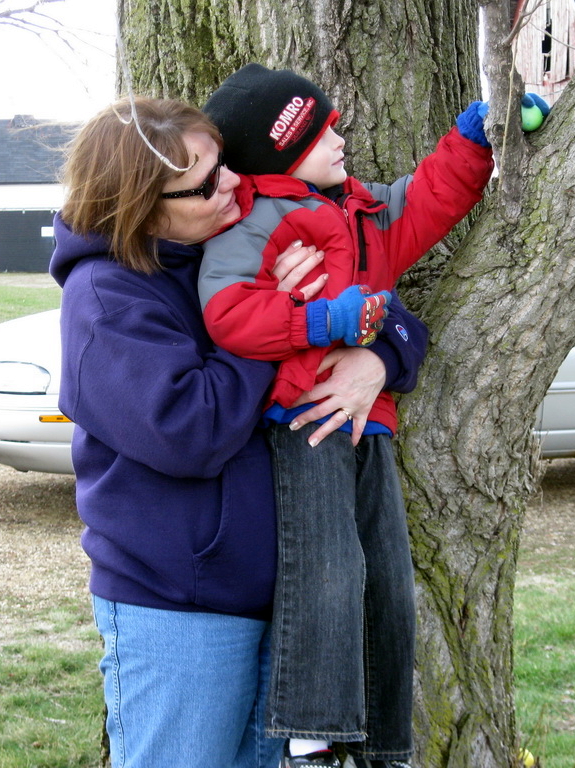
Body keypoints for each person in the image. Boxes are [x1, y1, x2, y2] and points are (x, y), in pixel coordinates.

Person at [48, 97, 430, 768]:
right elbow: (190, 429)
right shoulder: (108, 300)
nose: (233, 185)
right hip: (180, 610)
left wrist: (378, 360)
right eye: (204, 183)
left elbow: (383, 307)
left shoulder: (229, 241)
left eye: (225, 165)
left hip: (278, 601)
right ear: (142, 204)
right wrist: (270, 323)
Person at [196, 64, 503, 768]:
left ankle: (386, 743)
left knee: (389, 581)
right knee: (326, 571)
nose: (340, 135)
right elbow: (229, 314)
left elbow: (430, 199)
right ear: (279, 152)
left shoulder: (365, 213)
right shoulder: (256, 219)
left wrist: (473, 141)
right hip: (304, 422)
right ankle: (312, 737)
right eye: (319, 131)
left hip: (374, 424)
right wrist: (321, 317)